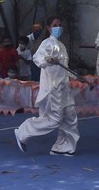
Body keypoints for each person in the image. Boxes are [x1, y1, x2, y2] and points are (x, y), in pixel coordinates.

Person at [14, 16, 79, 156]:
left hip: (64, 87)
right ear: (49, 28)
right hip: (53, 88)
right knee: (54, 119)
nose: (58, 27)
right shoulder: (47, 43)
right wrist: (47, 59)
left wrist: (77, 77)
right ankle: (23, 131)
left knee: (70, 115)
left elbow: (64, 68)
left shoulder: (61, 46)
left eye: (60, 24)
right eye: (55, 25)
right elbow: (37, 58)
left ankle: (63, 146)